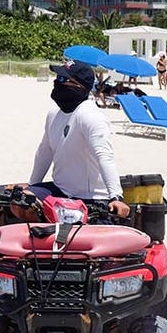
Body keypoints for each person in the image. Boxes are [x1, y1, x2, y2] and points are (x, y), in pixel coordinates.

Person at [11, 60, 131, 222]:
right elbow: (45, 152)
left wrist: (116, 196)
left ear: (79, 87)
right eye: (57, 78)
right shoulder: (54, 114)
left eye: (62, 79)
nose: (56, 83)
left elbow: (105, 156)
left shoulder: (90, 116)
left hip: (91, 196)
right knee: (20, 202)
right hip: (61, 189)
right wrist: (33, 185)